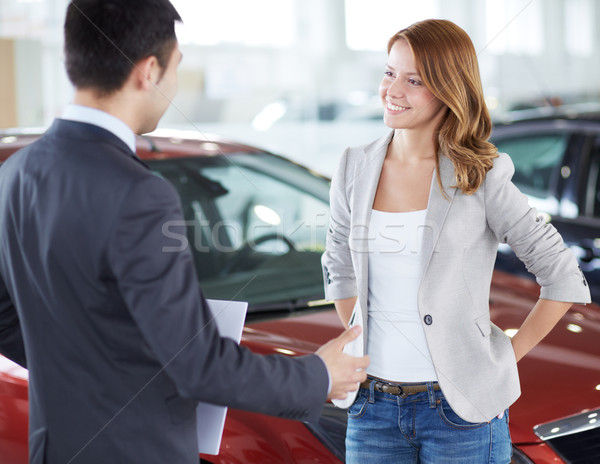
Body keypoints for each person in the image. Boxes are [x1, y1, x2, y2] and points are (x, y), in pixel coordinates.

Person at [0, 1, 369, 463]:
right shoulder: (138, 194)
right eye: (176, 66)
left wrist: (89, 373)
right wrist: (320, 375)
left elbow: (5, 317)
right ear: (148, 71)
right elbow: (198, 367)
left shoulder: (16, 173)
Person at [322, 19, 590, 463]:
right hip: (372, 410)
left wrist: (504, 356)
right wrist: (360, 332)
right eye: (390, 73)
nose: (393, 89)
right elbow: (338, 263)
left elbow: (561, 275)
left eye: (414, 80)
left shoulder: (480, 174)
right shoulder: (354, 165)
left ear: (448, 89)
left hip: (458, 416)